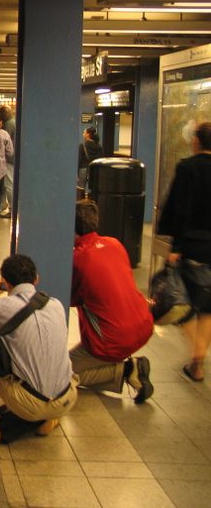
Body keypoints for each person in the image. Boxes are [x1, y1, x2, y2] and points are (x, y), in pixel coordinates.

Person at [0, 254, 78, 445]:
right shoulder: (56, 304)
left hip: (30, 404)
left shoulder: (1, 307)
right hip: (68, 398)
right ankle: (50, 418)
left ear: (6, 283)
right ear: (36, 279)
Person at [71, 199, 154, 403]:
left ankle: (127, 369)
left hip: (111, 341)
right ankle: (128, 369)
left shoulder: (78, 258)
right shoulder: (115, 243)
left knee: (58, 375)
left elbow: (71, 297)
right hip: (142, 325)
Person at [157, 121, 211, 382]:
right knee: (208, 308)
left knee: (184, 305)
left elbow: (180, 208)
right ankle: (197, 359)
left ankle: (197, 357)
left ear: (196, 141)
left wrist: (175, 247)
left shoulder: (188, 168)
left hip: (192, 245)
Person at [0, 106, 16, 218]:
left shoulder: (9, 124)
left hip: (9, 159)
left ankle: (12, 209)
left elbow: (4, 141)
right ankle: (0, 207)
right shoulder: (13, 122)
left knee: (8, 185)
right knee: (5, 185)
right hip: (12, 158)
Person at [77, 126, 103, 190]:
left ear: (88, 135)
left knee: (81, 190)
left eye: (84, 133)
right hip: (94, 171)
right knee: (93, 190)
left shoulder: (82, 146)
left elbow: (79, 160)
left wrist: (76, 173)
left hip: (83, 170)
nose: (83, 134)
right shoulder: (99, 147)